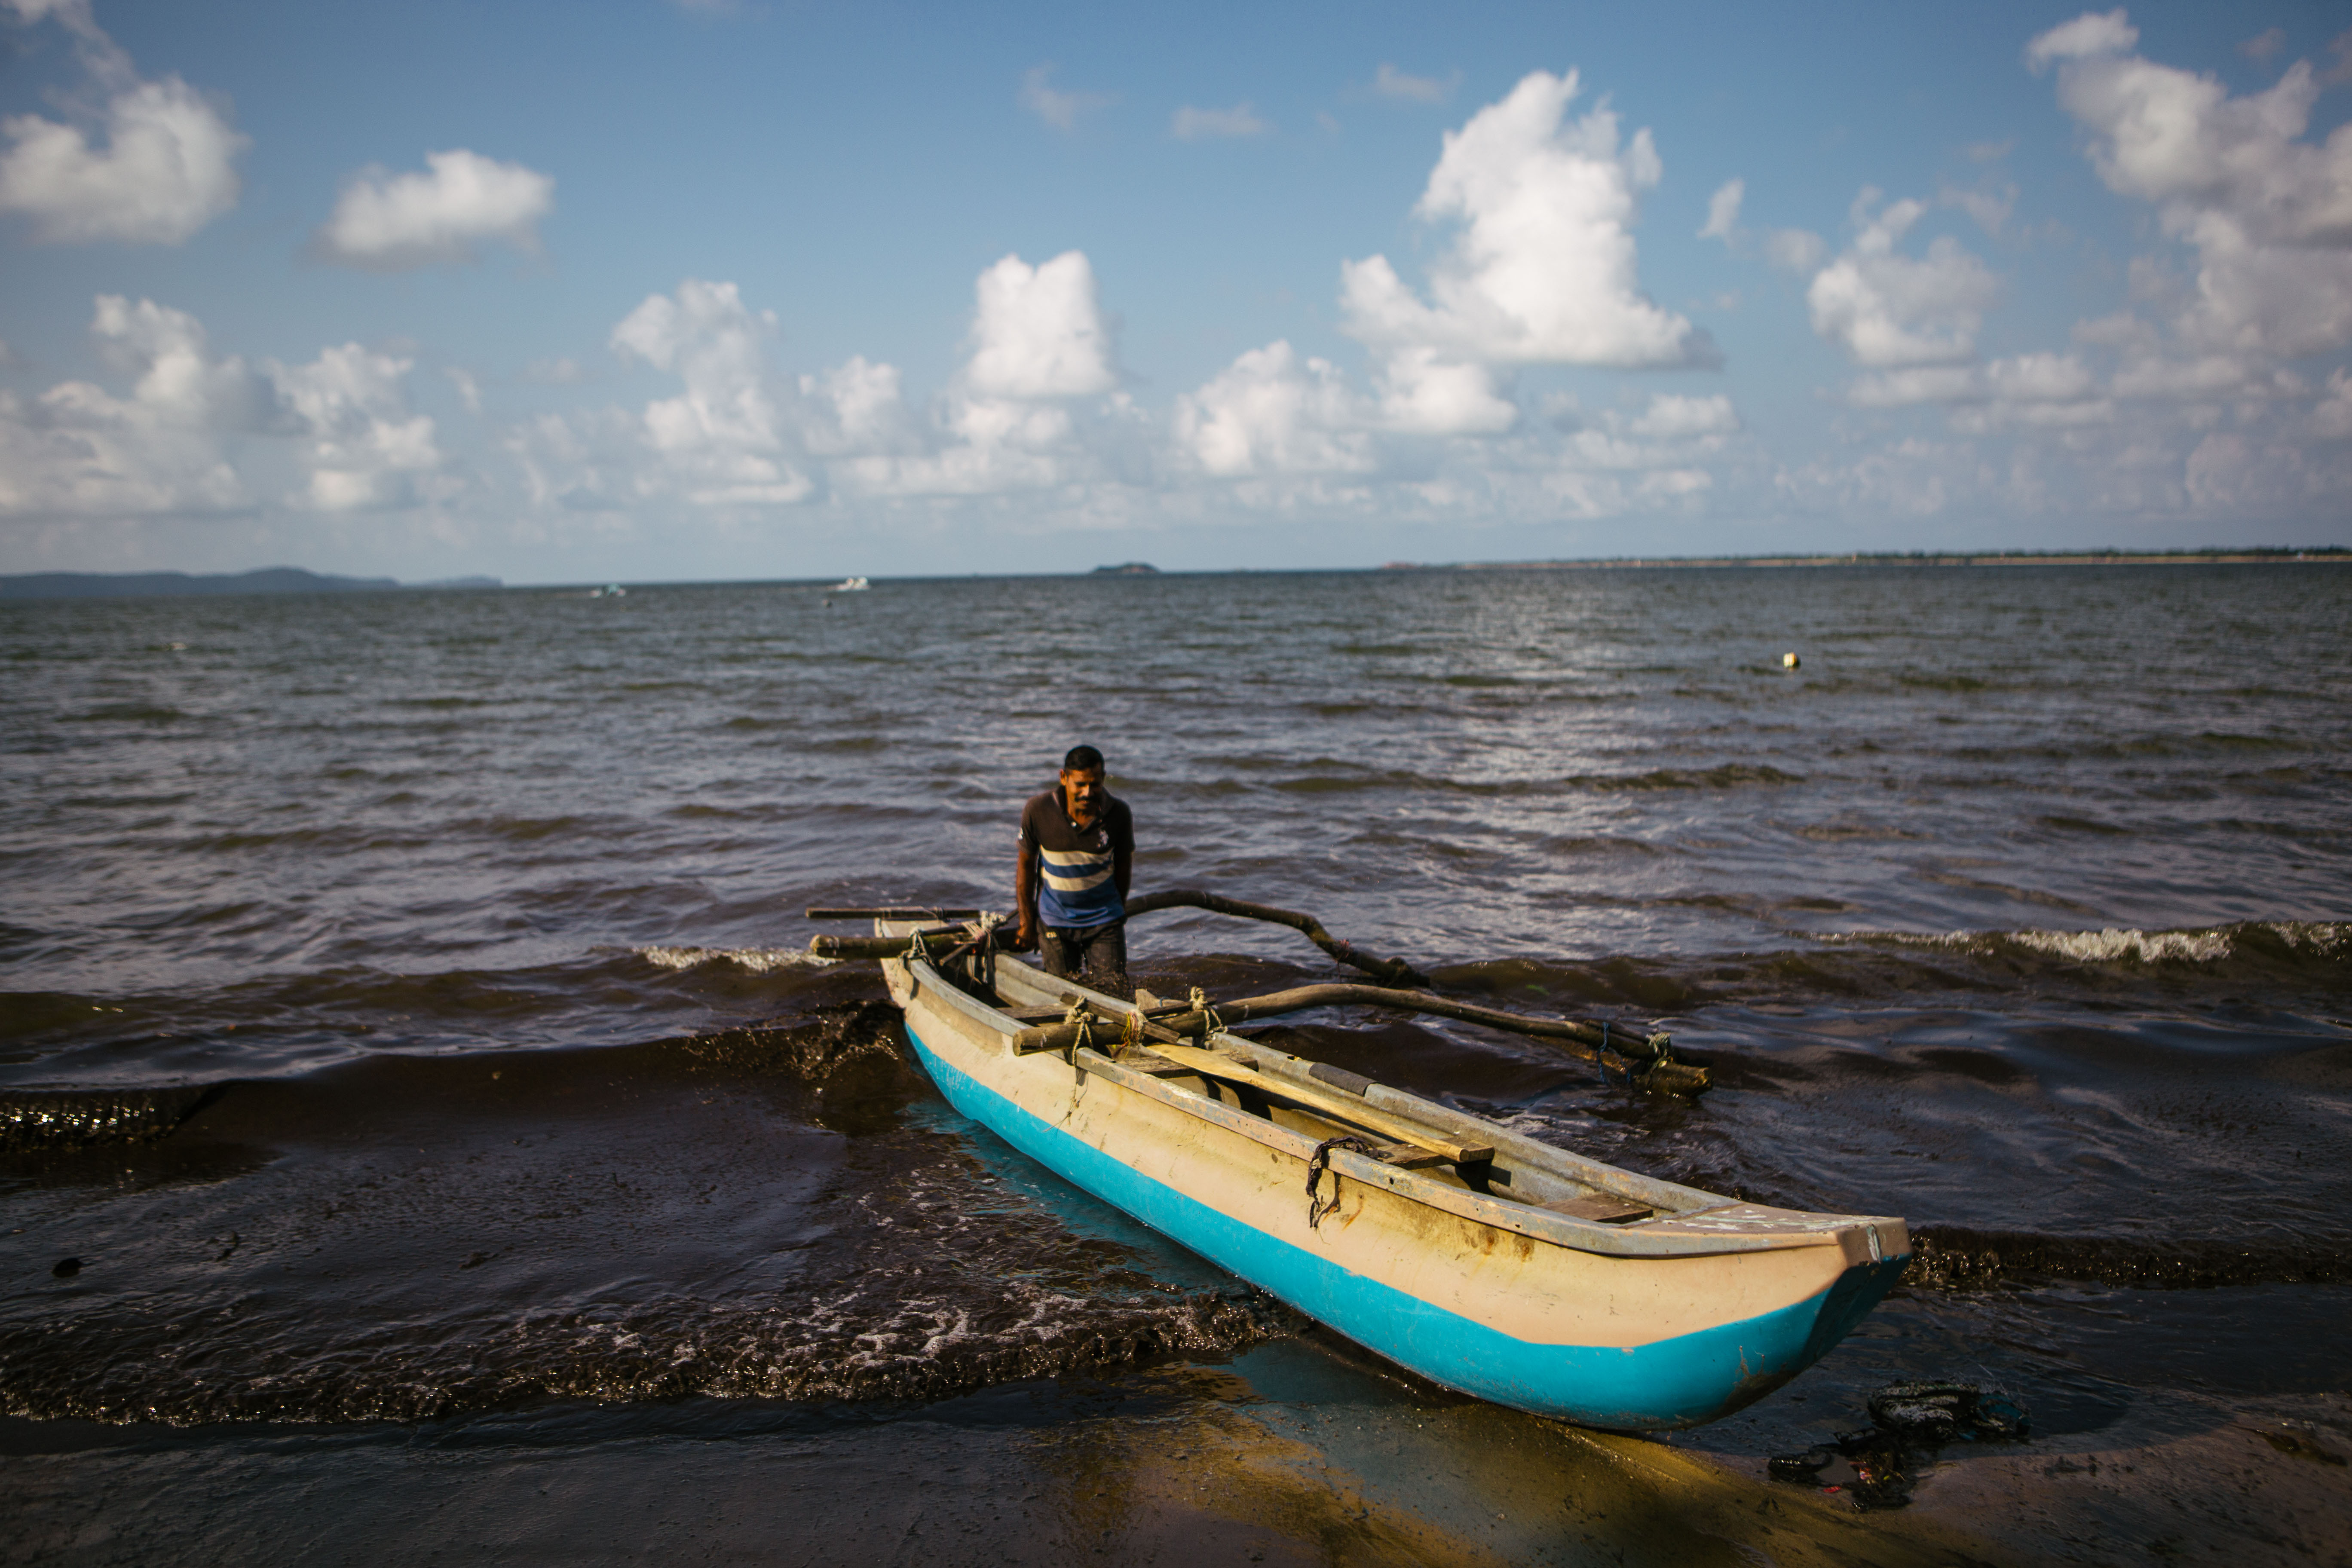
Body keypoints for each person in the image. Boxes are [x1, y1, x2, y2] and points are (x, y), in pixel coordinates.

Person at [1014, 744, 1133, 986]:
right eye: (1080, 784)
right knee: (1063, 994)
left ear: (1103, 779)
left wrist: (1116, 912)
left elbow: (1123, 867)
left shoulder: (1119, 813)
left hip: (1104, 921)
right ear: (1063, 778)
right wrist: (1027, 923)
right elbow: (1026, 867)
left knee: (1115, 992)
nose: (1088, 792)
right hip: (1055, 920)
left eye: (1095, 784)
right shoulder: (1038, 811)